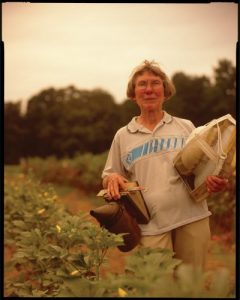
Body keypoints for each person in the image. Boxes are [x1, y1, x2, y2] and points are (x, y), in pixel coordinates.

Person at [101, 60, 228, 269]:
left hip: (192, 218)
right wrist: (112, 178)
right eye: (142, 84)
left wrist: (214, 181)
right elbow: (109, 176)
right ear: (133, 94)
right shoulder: (123, 136)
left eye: (155, 83)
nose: (149, 89)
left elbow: (206, 168)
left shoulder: (185, 126)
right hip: (151, 227)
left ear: (165, 91)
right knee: (157, 287)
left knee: (190, 287)